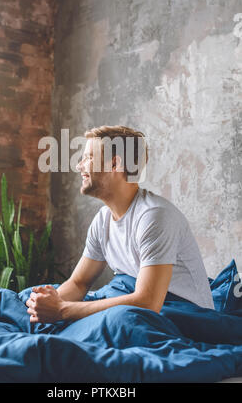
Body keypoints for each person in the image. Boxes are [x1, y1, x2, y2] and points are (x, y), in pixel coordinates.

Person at [26, 125, 214, 323]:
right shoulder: (103, 219)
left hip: (182, 313)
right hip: (139, 301)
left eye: (88, 157)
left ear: (115, 164)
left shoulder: (155, 216)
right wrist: (46, 304)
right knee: (24, 299)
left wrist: (63, 311)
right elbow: (79, 283)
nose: (79, 166)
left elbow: (148, 302)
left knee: (120, 322)